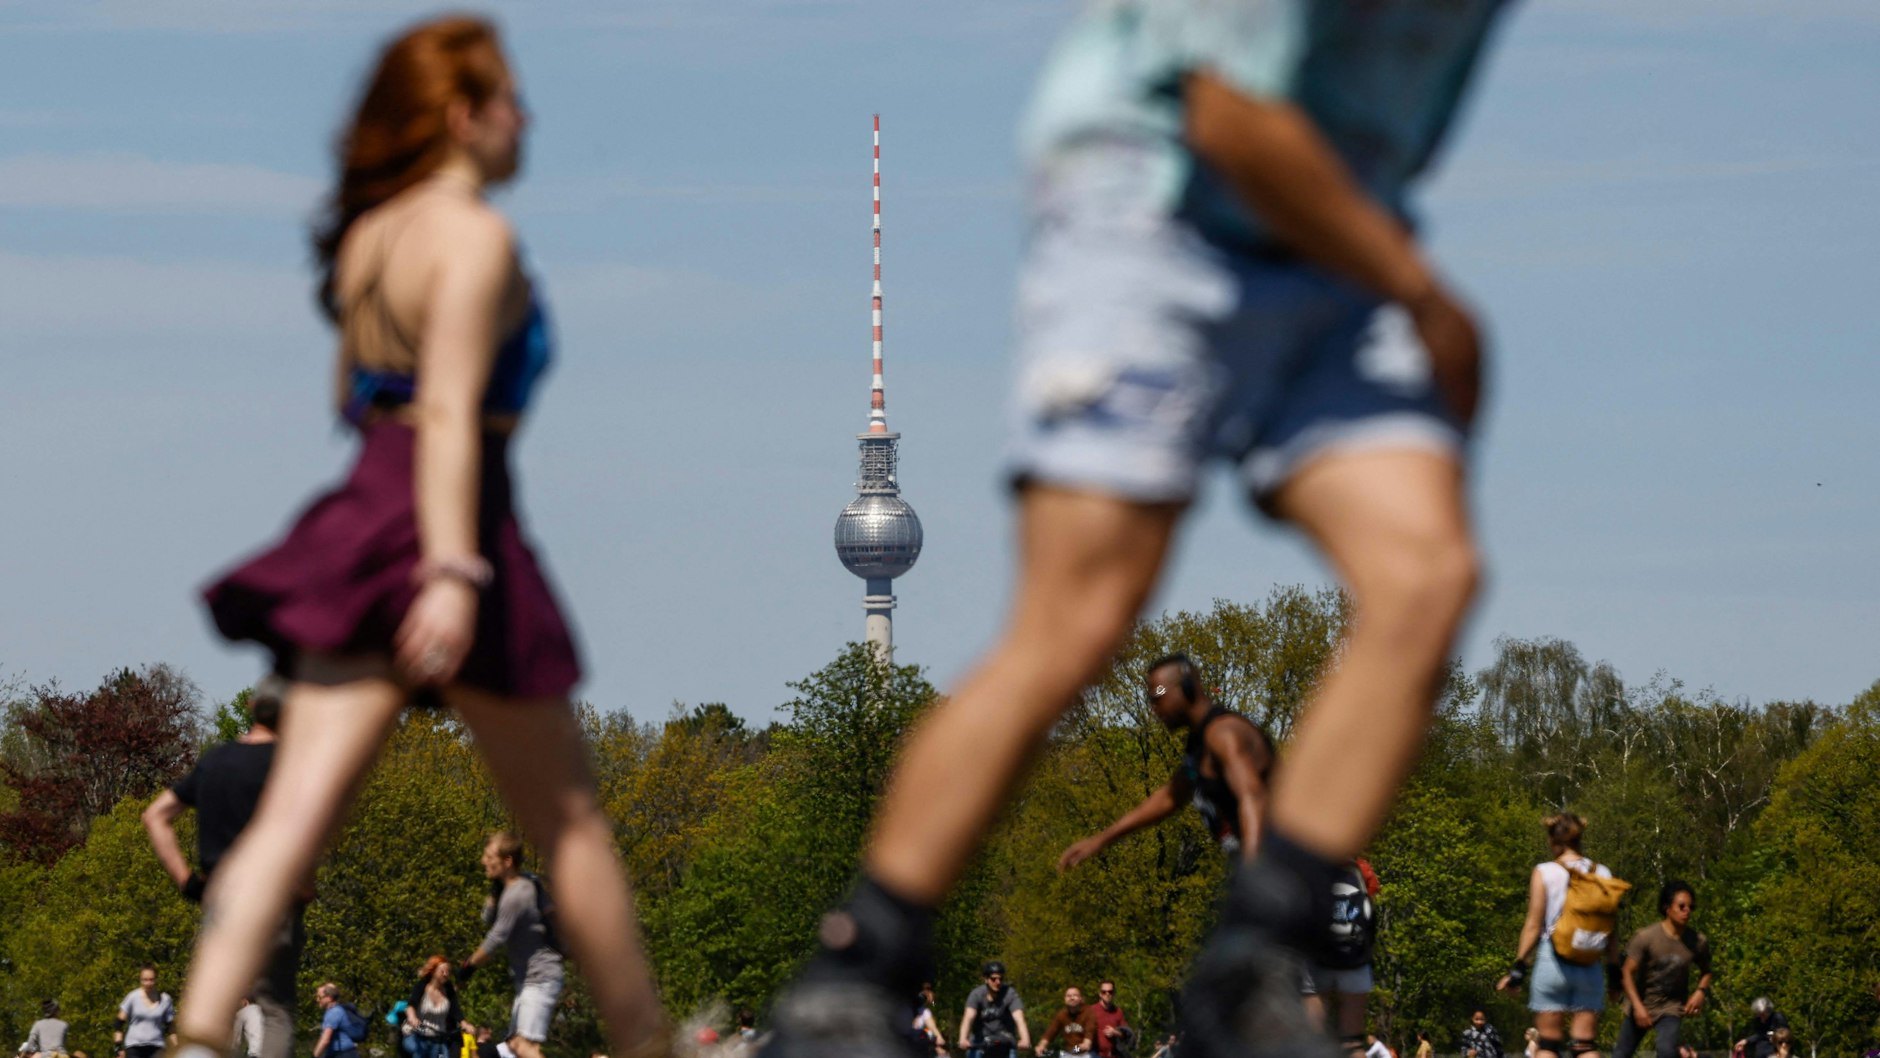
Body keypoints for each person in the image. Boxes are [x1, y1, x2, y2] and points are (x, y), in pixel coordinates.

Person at [761, 0, 1510, 1053]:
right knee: (1080, 613)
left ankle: (1245, 968)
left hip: (1336, 235)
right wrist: (1420, 294)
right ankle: (850, 978)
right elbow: (1226, 115)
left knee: (1425, 576)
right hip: (1152, 197)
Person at [171, 17, 664, 1058]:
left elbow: (362, 403)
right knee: (570, 828)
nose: (526, 117)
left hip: (365, 509)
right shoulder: (472, 236)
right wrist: (449, 566)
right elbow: (445, 408)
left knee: (288, 824)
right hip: (459, 519)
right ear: (459, 115)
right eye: (511, 100)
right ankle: (645, 1039)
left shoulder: (366, 240)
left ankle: (199, 1033)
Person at [142, 678, 302, 1058]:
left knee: (209, 1013)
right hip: (274, 892)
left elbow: (155, 816)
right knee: (276, 1009)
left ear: (250, 706)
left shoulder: (215, 762)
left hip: (222, 895)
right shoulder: (291, 761)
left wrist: (186, 881)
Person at [1058, 656, 1274, 866]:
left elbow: (1253, 797)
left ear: (1187, 688)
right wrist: (1102, 839)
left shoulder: (1223, 734)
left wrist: (1254, 871)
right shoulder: (1199, 745)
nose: (1154, 707)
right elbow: (1169, 798)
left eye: (1158, 695)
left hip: (1277, 865)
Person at [1496, 814, 1621, 1058]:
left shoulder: (1544, 872)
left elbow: (1533, 925)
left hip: (1553, 960)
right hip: (1589, 962)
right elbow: (1611, 931)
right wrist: (1615, 975)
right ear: (1580, 839)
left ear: (1553, 841)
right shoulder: (1603, 873)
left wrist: (1517, 971)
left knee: (1548, 1046)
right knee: (1585, 1046)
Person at [464, 833, 565, 1058]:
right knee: (515, 1046)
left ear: (507, 861)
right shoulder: (526, 883)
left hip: (540, 977)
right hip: (531, 979)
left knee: (522, 1046)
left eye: (489, 856)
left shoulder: (517, 894)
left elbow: (496, 937)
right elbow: (487, 918)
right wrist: (494, 889)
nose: (483, 861)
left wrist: (468, 967)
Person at [1613, 882, 1712, 1058]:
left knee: (1666, 1050)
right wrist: (1637, 1007)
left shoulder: (1697, 941)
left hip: (1671, 1007)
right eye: (1681, 906)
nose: (1687, 911)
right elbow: (1627, 972)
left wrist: (1700, 992)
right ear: (1667, 908)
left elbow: (1707, 970)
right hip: (1642, 1003)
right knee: (1621, 1054)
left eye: (1690, 907)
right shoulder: (1646, 937)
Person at [1302, 858, 1381, 1058]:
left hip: (1316, 959)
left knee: (1312, 1041)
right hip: (1355, 958)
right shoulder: (1360, 868)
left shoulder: (1304, 860)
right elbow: (1369, 911)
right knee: (1353, 1043)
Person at [959, 963, 1030, 1058]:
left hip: (1005, 1043)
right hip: (980, 1043)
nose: (998, 982)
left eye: (1000, 979)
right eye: (993, 979)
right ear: (986, 979)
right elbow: (968, 1017)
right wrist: (963, 1038)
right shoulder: (976, 994)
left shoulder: (1010, 994)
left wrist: (1025, 1039)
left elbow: (1019, 1018)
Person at [405, 957, 467, 1058]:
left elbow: (455, 1009)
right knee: (420, 1052)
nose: (446, 974)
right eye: (442, 971)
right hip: (418, 1034)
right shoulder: (422, 986)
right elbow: (411, 1005)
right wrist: (412, 1017)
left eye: (448, 972)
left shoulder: (448, 989)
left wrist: (464, 1023)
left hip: (438, 1037)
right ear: (433, 971)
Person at [115, 966, 175, 1058]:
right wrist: (118, 1047)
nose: (148, 983)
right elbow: (119, 1022)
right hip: (134, 1046)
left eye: (151, 980)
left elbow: (171, 1027)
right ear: (140, 980)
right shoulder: (132, 997)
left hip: (156, 1046)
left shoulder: (165, 999)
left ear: (156, 980)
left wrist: (176, 1047)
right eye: (145, 980)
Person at [1038, 988, 1097, 1055]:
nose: (1072, 998)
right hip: (1069, 1052)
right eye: (1068, 996)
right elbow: (1050, 1032)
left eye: (1075, 995)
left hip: (1086, 1053)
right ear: (1065, 999)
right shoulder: (1062, 1014)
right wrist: (1042, 1045)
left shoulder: (1088, 1012)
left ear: (1080, 998)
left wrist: (1073, 1050)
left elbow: (1087, 1044)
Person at [312, 984, 362, 1058]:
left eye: (319, 997)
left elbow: (325, 1040)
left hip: (343, 1054)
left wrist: (315, 1055)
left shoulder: (334, 1013)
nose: (317, 1000)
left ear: (329, 998)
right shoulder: (337, 1010)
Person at [1088, 981, 1130, 1058]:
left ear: (1114, 994)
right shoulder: (1091, 1011)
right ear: (1100, 994)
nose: (1107, 994)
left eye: (1110, 992)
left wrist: (1115, 1032)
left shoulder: (1118, 1012)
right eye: (1104, 992)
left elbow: (1126, 1035)